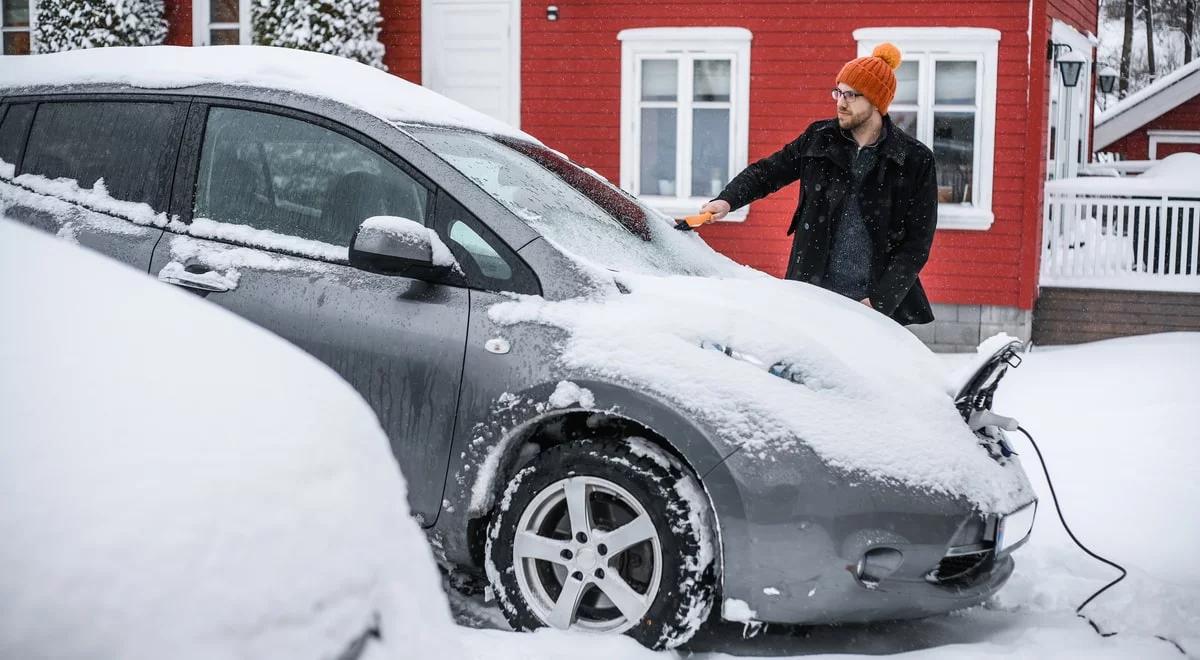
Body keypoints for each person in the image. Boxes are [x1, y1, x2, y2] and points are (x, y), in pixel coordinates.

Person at [699, 43, 938, 326]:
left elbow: (916, 244)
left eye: (851, 94)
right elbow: (768, 172)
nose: (841, 102)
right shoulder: (819, 138)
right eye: (838, 91)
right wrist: (727, 200)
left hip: (873, 306)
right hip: (811, 295)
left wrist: (879, 301)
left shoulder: (913, 160)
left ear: (876, 101)